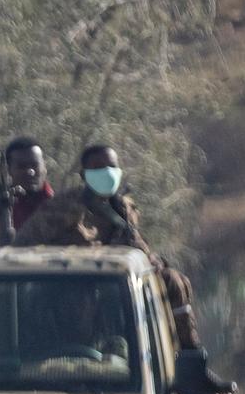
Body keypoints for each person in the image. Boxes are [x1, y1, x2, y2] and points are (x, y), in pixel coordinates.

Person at [15, 144, 205, 350]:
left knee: (173, 281)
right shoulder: (62, 208)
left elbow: (139, 247)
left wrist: (153, 260)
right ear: (84, 174)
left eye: (110, 166)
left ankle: (188, 355)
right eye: (97, 167)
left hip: (121, 280)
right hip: (75, 283)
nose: (105, 172)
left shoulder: (124, 209)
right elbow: (22, 247)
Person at [0, 136, 55, 247]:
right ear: (9, 170)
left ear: (44, 167)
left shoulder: (61, 205)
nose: (30, 171)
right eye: (22, 166)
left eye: (35, 165)